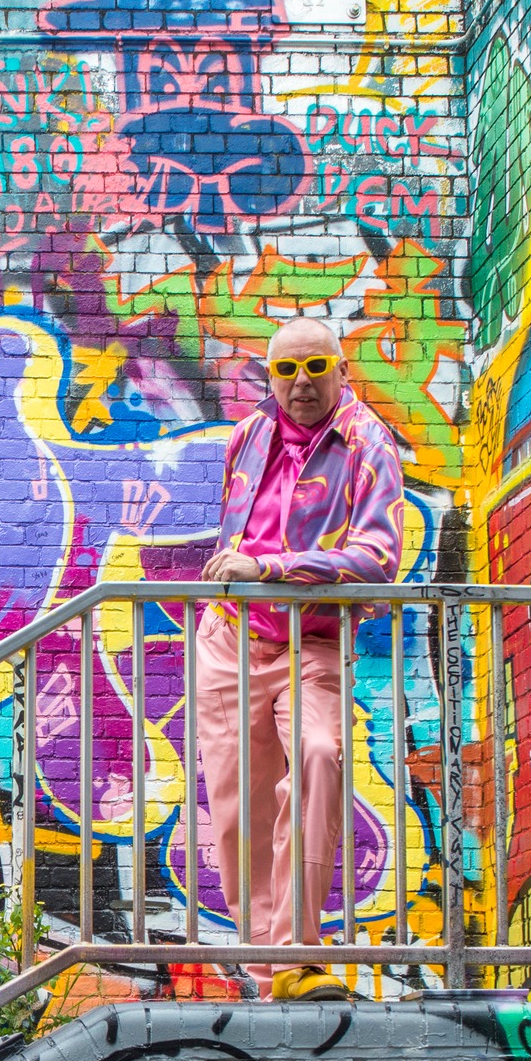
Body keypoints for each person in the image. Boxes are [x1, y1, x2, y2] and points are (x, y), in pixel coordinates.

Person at [199, 315, 406, 999]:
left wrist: (277, 567)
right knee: (236, 817)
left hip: (311, 643)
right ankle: (274, 974)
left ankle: (295, 956)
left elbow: (377, 561)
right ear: (270, 377)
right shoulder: (248, 437)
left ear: (341, 372)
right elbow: (232, 543)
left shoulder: (369, 446)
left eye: (315, 367)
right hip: (231, 640)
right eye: (286, 370)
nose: (300, 383)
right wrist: (243, 572)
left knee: (320, 754)